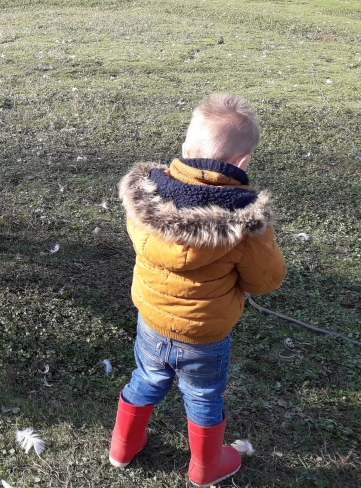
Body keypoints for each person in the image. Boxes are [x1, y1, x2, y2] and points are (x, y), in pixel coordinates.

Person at [108, 94, 286, 487]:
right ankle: (205, 467)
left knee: (147, 377)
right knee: (204, 396)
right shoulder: (246, 221)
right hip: (206, 335)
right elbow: (265, 280)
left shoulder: (145, 196)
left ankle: (121, 447)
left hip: (151, 322)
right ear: (242, 163)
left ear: (187, 147)